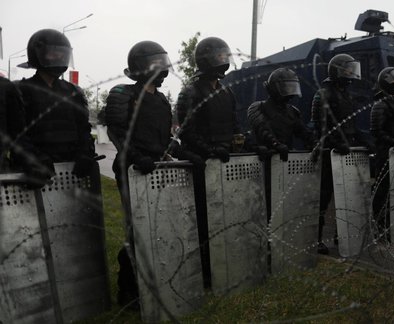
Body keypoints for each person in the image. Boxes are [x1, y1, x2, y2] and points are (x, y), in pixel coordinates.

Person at [103, 40, 201, 309]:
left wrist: (181, 151)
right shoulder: (123, 94)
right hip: (133, 171)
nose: (160, 68)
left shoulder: (160, 100)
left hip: (158, 171)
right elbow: (117, 133)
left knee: (159, 228)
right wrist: (136, 157)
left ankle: (156, 283)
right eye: (154, 63)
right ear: (139, 67)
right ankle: (128, 289)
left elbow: (163, 138)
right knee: (136, 232)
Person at [175, 36, 240, 288]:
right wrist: (210, 150)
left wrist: (239, 144)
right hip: (203, 164)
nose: (223, 61)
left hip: (226, 162)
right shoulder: (190, 92)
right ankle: (204, 271)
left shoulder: (227, 91)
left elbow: (234, 124)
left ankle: (225, 263)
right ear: (207, 59)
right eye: (219, 56)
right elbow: (187, 132)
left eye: (226, 56)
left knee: (227, 214)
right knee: (203, 219)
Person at [12, 29, 95, 187]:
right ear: (37, 54)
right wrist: (32, 159)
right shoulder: (20, 90)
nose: (59, 58)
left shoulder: (74, 91)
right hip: (36, 173)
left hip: (71, 171)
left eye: (62, 54)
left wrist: (86, 153)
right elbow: (16, 133)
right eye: (53, 54)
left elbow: (84, 129)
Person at [310, 53, 362, 254]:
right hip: (328, 151)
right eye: (348, 69)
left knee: (345, 195)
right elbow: (320, 126)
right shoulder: (324, 93)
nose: (351, 73)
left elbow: (352, 124)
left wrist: (362, 141)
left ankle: (341, 235)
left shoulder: (347, 95)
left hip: (345, 151)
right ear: (338, 70)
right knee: (323, 197)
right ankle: (316, 239)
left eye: (352, 69)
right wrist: (334, 143)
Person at [369, 67, 394, 236]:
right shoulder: (381, 104)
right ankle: (378, 223)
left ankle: (389, 223)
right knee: (382, 189)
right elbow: (377, 131)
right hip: (384, 153)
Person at [247, 67, 314, 159]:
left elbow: (303, 132)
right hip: (264, 159)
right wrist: (276, 144)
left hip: (284, 159)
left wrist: (315, 143)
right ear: (274, 88)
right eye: (286, 88)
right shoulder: (258, 107)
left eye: (291, 88)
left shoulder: (292, 111)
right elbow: (263, 129)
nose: (289, 93)